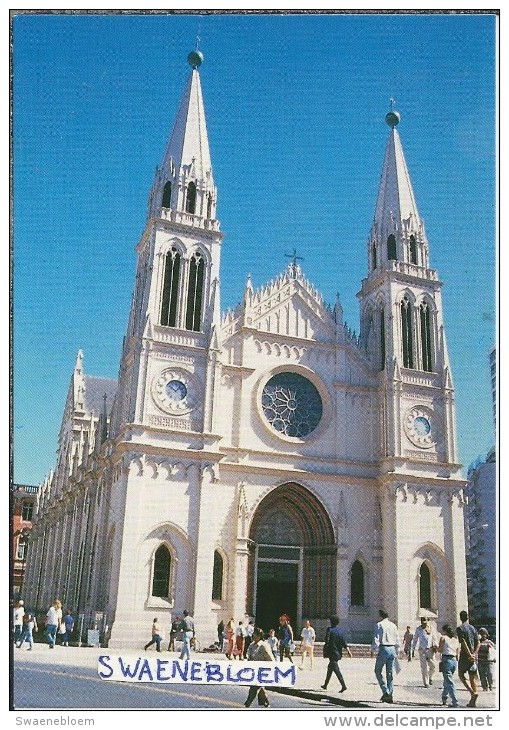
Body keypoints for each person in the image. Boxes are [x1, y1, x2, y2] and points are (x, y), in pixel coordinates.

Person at [371, 609, 400, 704]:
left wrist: (373, 649)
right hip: (392, 649)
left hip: (384, 649)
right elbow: (397, 639)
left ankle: (386, 691)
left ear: (380, 616)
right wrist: (397, 650)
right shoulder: (393, 625)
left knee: (378, 670)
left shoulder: (379, 625)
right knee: (390, 673)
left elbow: (377, 638)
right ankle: (390, 693)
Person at [244, 627, 274, 708]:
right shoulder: (251, 645)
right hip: (253, 672)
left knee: (254, 689)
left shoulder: (264, 646)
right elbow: (248, 657)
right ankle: (265, 703)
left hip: (262, 672)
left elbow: (271, 659)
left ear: (259, 636)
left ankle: (248, 704)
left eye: (255, 634)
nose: (253, 635)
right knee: (257, 688)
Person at [320, 615, 352, 692]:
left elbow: (327, 641)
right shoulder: (340, 631)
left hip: (332, 653)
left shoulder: (329, 630)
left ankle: (343, 686)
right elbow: (344, 642)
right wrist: (348, 651)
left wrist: (325, 651)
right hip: (338, 653)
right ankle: (325, 685)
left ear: (331, 622)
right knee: (330, 668)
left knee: (336, 670)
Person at [456, 610, 479, 707]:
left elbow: (463, 642)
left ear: (460, 618)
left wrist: (469, 654)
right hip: (473, 656)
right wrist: (474, 654)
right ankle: (473, 700)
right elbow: (478, 642)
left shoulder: (460, 629)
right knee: (472, 676)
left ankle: (472, 692)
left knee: (461, 674)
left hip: (465, 656)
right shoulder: (472, 628)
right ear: (468, 617)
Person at [411, 616, 439, 687]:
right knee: (424, 667)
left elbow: (435, 638)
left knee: (433, 666)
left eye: (425, 622)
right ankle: (426, 683)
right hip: (422, 650)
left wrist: (435, 645)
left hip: (430, 650)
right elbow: (415, 639)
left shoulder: (431, 628)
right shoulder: (419, 629)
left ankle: (430, 678)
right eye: (422, 622)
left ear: (428, 621)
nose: (423, 624)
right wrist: (412, 649)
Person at [438, 624, 460, 708]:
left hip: (446, 659)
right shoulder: (455, 639)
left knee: (449, 681)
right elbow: (458, 652)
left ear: (444, 631)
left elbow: (440, 650)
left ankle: (455, 701)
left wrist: (436, 648)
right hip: (454, 660)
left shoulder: (443, 638)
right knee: (447, 680)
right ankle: (444, 697)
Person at [477, 627, 496, 691]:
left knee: (490, 674)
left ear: (486, 634)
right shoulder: (477, 642)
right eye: (481, 633)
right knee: (482, 675)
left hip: (489, 661)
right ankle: (484, 687)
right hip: (480, 660)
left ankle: (491, 686)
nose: (483, 635)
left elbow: (494, 651)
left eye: (484, 633)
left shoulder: (489, 642)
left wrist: (494, 658)